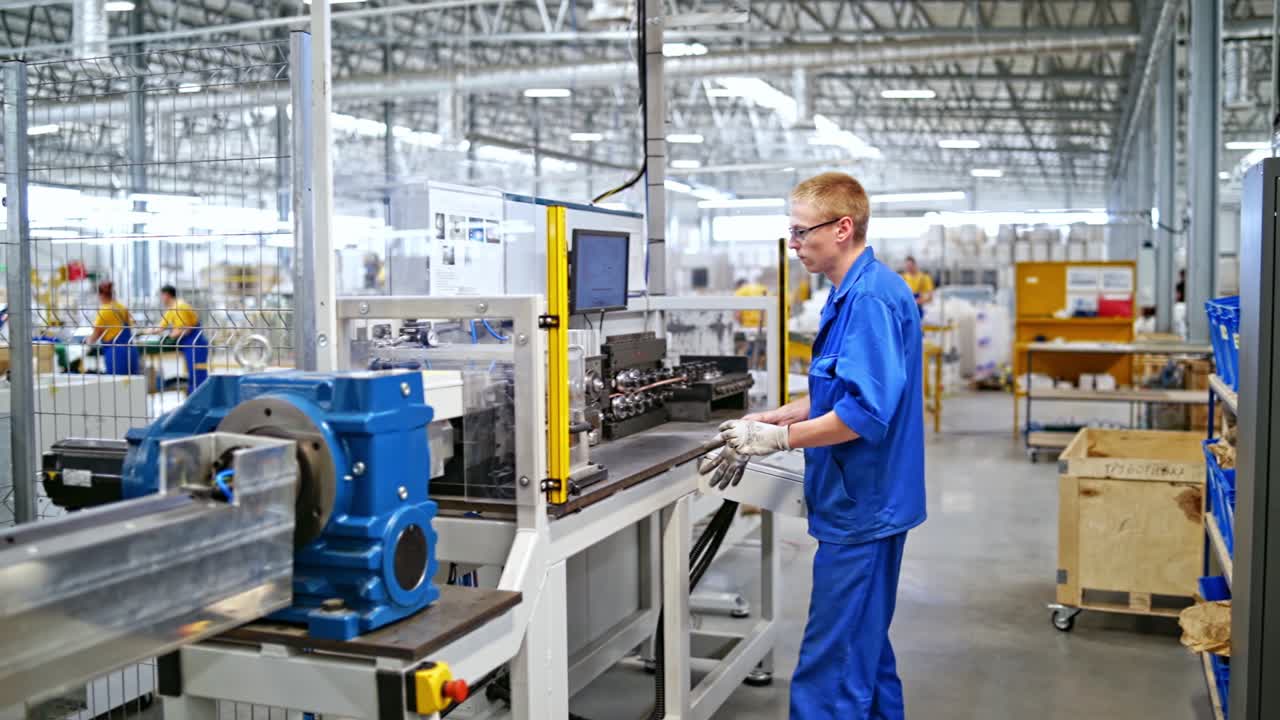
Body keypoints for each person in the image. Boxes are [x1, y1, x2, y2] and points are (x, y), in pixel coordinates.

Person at [701, 172, 926, 720]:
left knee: (832, 668)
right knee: (866, 655)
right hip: (864, 503)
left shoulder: (869, 299)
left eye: (802, 232)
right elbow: (843, 390)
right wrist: (784, 412)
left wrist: (776, 438)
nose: (795, 244)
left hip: (863, 510)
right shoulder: (850, 293)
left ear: (843, 227)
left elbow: (863, 414)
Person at [158, 285, 210, 394]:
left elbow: (185, 330)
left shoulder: (179, 307)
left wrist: (168, 337)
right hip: (188, 345)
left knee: (198, 376)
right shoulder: (172, 309)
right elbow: (160, 327)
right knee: (193, 375)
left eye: (161, 296)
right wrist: (144, 333)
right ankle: (194, 399)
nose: (161, 298)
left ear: (166, 295)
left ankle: (200, 401)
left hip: (196, 344)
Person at [87, 281, 140, 375]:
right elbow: (131, 324)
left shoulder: (104, 311)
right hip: (131, 350)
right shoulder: (122, 307)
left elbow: (96, 334)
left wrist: (86, 343)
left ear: (101, 295)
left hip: (116, 353)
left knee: (117, 385)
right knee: (132, 385)